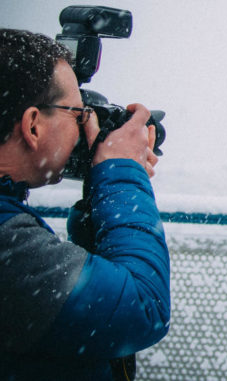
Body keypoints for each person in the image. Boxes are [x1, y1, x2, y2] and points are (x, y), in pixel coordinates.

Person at [0, 29, 170, 380]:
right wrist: (121, 171)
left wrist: (102, 195)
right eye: (77, 114)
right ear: (33, 126)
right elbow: (141, 308)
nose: (84, 129)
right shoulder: (7, 244)